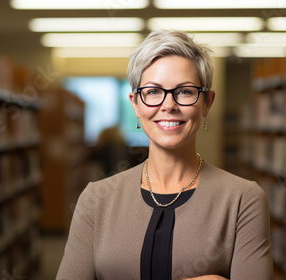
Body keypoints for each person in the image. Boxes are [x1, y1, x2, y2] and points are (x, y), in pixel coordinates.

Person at [56, 30, 273, 280]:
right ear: (135, 104)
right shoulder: (96, 200)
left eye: (184, 91)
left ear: (207, 103)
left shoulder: (243, 200)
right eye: (153, 92)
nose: (168, 105)